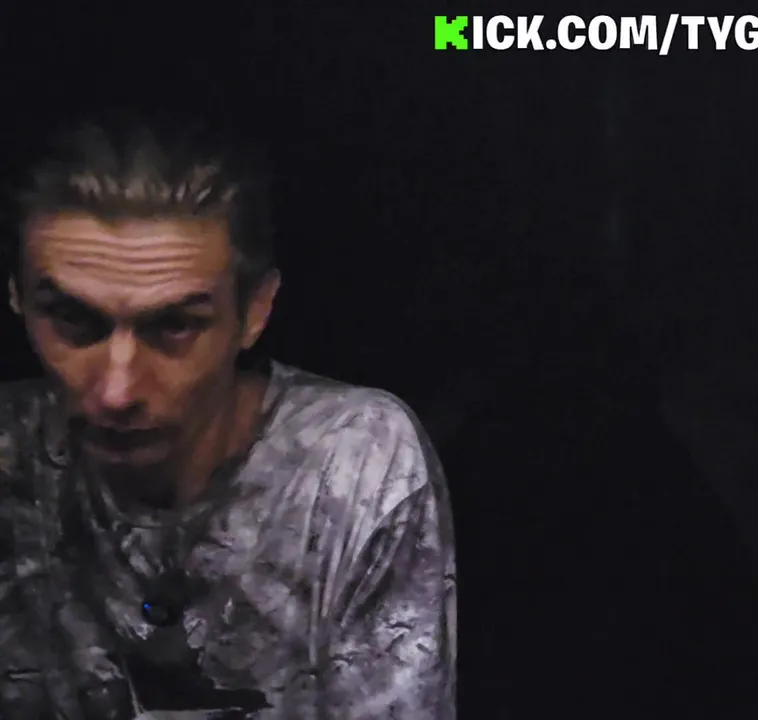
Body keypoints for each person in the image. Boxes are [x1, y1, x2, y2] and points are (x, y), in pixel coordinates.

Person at [0, 116, 456, 719]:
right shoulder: (11, 457)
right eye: (74, 322)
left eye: (175, 326)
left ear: (255, 312)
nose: (117, 391)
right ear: (16, 297)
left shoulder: (350, 465)